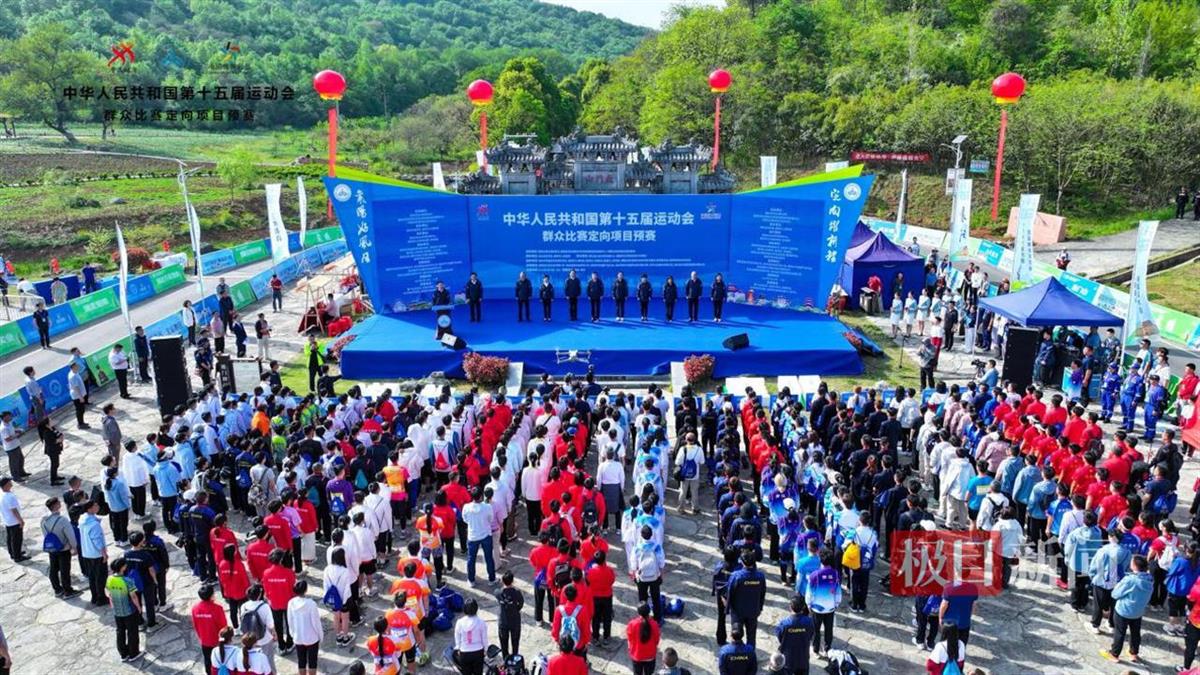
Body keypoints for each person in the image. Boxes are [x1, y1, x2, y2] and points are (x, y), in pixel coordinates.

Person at [1101, 554, 1152, 663]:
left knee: (1120, 633)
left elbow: (1115, 594)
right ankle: (1133, 653)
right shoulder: (1150, 579)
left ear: (1135, 566)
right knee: (1135, 633)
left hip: (1124, 610)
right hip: (1138, 611)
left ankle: (1114, 654)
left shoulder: (1130, 580)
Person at [107, 557, 143, 663]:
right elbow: (134, 596)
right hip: (129, 610)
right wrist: (139, 607)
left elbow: (109, 593)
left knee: (120, 631)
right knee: (132, 632)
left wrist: (112, 605)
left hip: (117, 611)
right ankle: (134, 653)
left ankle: (123, 654)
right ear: (122, 568)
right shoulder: (127, 581)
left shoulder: (109, 579)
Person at [41, 496, 80, 597]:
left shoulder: (43, 520)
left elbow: (45, 534)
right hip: (63, 548)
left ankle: (57, 589)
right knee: (64, 570)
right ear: (56, 505)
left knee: (53, 569)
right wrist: (74, 546)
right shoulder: (62, 520)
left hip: (52, 548)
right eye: (58, 502)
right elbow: (70, 535)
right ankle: (68, 591)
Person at [727, 551, 767, 646]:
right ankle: (750, 653)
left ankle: (736, 652)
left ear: (742, 562)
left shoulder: (736, 576)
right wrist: (760, 607)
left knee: (736, 636)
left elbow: (730, 592)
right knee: (751, 636)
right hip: (753, 610)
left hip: (738, 611)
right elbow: (762, 593)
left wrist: (728, 607)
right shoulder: (760, 576)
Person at [287, 580, 323, 675]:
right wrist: (320, 635)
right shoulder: (311, 604)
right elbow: (316, 622)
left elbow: (290, 620)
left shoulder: (291, 603)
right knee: (312, 662)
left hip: (298, 637)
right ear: (306, 590)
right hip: (312, 638)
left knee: (301, 661)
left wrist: (293, 634)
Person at [191, 584, 229, 674]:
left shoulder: (195, 608)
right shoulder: (217, 608)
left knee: (207, 659)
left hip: (204, 640)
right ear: (211, 595)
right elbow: (223, 625)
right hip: (217, 640)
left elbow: (195, 625)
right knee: (221, 660)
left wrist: (201, 637)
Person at [462, 487, 496, 585]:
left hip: (473, 536)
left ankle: (471, 580)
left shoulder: (466, 507)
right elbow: (491, 519)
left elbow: (465, 519)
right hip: (486, 535)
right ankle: (492, 579)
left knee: (471, 559)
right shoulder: (487, 507)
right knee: (489, 557)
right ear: (481, 496)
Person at [79, 499, 109, 605]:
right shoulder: (94, 524)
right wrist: (104, 554)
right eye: (95, 505)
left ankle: (94, 596)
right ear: (89, 509)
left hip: (87, 553)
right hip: (96, 554)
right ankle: (101, 597)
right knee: (101, 576)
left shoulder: (82, 519)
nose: (98, 506)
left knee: (92, 576)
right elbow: (97, 541)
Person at [776, 595, 814, 675]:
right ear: (803, 607)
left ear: (790, 607)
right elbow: (810, 635)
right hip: (803, 658)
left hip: (788, 659)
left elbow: (780, 637)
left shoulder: (784, 624)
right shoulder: (809, 622)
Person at [453, 598, 487, 675]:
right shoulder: (481, 622)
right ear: (476, 608)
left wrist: (458, 647)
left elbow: (457, 636)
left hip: (464, 652)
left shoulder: (460, 622)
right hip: (478, 651)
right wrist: (485, 649)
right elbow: (484, 638)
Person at [626, 602, 661, 675]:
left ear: (638, 612)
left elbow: (629, 639)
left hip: (636, 655)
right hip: (650, 655)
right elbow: (657, 640)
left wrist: (630, 648)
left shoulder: (632, 624)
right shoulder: (654, 624)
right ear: (649, 612)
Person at [0, 478, 26, 562]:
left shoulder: (2, 494)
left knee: (10, 538)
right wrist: (20, 520)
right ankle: (17, 556)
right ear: (6, 485)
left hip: (7, 520)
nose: (11, 483)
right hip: (14, 521)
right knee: (17, 539)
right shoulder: (9, 497)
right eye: (9, 482)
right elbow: (14, 510)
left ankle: (13, 553)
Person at [0, 413, 26, 482]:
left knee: (21, 459)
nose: (10, 417)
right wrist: (18, 435)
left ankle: (21, 473)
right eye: (9, 416)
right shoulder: (3, 428)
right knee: (14, 463)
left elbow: (13, 429)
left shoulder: (9, 423)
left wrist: (19, 430)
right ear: (4, 418)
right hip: (11, 448)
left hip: (16, 445)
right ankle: (16, 477)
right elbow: (7, 439)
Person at [68, 362, 88, 429]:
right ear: (73, 367)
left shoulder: (75, 373)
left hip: (79, 395)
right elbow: (75, 387)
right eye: (76, 365)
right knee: (80, 410)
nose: (78, 366)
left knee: (82, 409)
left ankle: (82, 422)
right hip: (77, 396)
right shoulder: (72, 376)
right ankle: (80, 424)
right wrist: (80, 397)